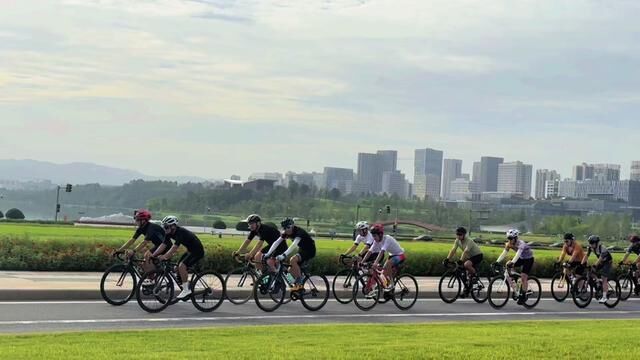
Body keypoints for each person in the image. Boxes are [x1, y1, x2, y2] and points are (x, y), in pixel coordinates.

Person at [157, 215, 205, 300]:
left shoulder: (180, 232)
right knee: (176, 268)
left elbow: (174, 247)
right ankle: (185, 285)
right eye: (163, 227)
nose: (165, 229)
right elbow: (163, 245)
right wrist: (154, 255)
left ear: (173, 226)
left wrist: (165, 256)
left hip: (197, 251)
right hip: (190, 250)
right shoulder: (169, 232)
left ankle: (186, 290)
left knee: (182, 266)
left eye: (166, 227)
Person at [264, 218, 316, 292]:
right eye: (284, 228)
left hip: (310, 250)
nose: (287, 230)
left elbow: (294, 245)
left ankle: (299, 284)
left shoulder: (299, 232)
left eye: (288, 227)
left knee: (293, 260)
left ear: (293, 226)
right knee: (289, 271)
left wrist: (284, 255)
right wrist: (268, 253)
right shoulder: (285, 233)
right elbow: (276, 242)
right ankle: (293, 285)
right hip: (302, 249)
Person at [114, 209, 172, 274]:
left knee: (147, 255)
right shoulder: (141, 228)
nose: (136, 221)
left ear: (144, 220)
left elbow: (144, 242)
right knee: (144, 263)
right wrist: (119, 250)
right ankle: (151, 275)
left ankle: (153, 276)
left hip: (166, 245)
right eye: (135, 219)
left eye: (138, 220)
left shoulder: (151, 228)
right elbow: (132, 240)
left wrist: (134, 251)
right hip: (158, 245)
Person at [495, 229, 534, 305]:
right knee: (507, 264)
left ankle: (523, 295)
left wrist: (512, 262)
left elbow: (518, 254)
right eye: (508, 238)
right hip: (522, 258)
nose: (509, 240)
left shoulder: (521, 244)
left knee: (523, 276)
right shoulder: (508, 244)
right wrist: (497, 262)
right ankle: (515, 280)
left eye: (511, 238)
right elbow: (504, 253)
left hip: (529, 259)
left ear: (516, 238)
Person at [363, 224, 405, 291]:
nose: (374, 238)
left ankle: (392, 284)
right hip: (391, 255)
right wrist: (362, 262)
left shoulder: (387, 239)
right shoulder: (376, 241)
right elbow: (369, 252)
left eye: (375, 236)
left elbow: (382, 251)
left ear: (380, 235)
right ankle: (385, 286)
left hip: (400, 255)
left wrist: (375, 263)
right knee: (383, 273)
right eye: (373, 236)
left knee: (388, 264)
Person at [444, 227, 483, 295]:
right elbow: (453, 250)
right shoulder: (457, 240)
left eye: (460, 234)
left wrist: (461, 260)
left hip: (477, 255)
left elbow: (466, 251)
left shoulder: (469, 241)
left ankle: (475, 276)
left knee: (466, 265)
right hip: (469, 257)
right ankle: (467, 288)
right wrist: (447, 259)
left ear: (464, 235)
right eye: (457, 234)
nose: (458, 236)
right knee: (461, 270)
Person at [582, 235, 613, 303]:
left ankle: (604, 297)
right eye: (590, 243)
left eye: (592, 243)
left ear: (596, 243)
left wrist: (595, 265)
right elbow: (586, 256)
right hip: (601, 262)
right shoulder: (590, 247)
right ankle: (598, 282)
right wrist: (581, 264)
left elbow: (600, 259)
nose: (591, 245)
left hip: (607, 262)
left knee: (603, 277)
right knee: (591, 272)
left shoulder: (602, 248)